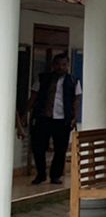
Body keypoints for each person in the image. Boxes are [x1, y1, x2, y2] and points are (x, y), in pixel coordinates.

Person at [29, 54, 78, 185]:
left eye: (63, 65)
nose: (60, 67)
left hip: (62, 119)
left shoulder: (73, 80)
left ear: (67, 65)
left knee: (60, 149)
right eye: (58, 64)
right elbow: (34, 97)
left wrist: (74, 117)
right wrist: (25, 113)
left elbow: (76, 100)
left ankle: (55, 175)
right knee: (38, 147)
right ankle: (41, 174)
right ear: (53, 65)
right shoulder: (43, 79)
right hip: (43, 117)